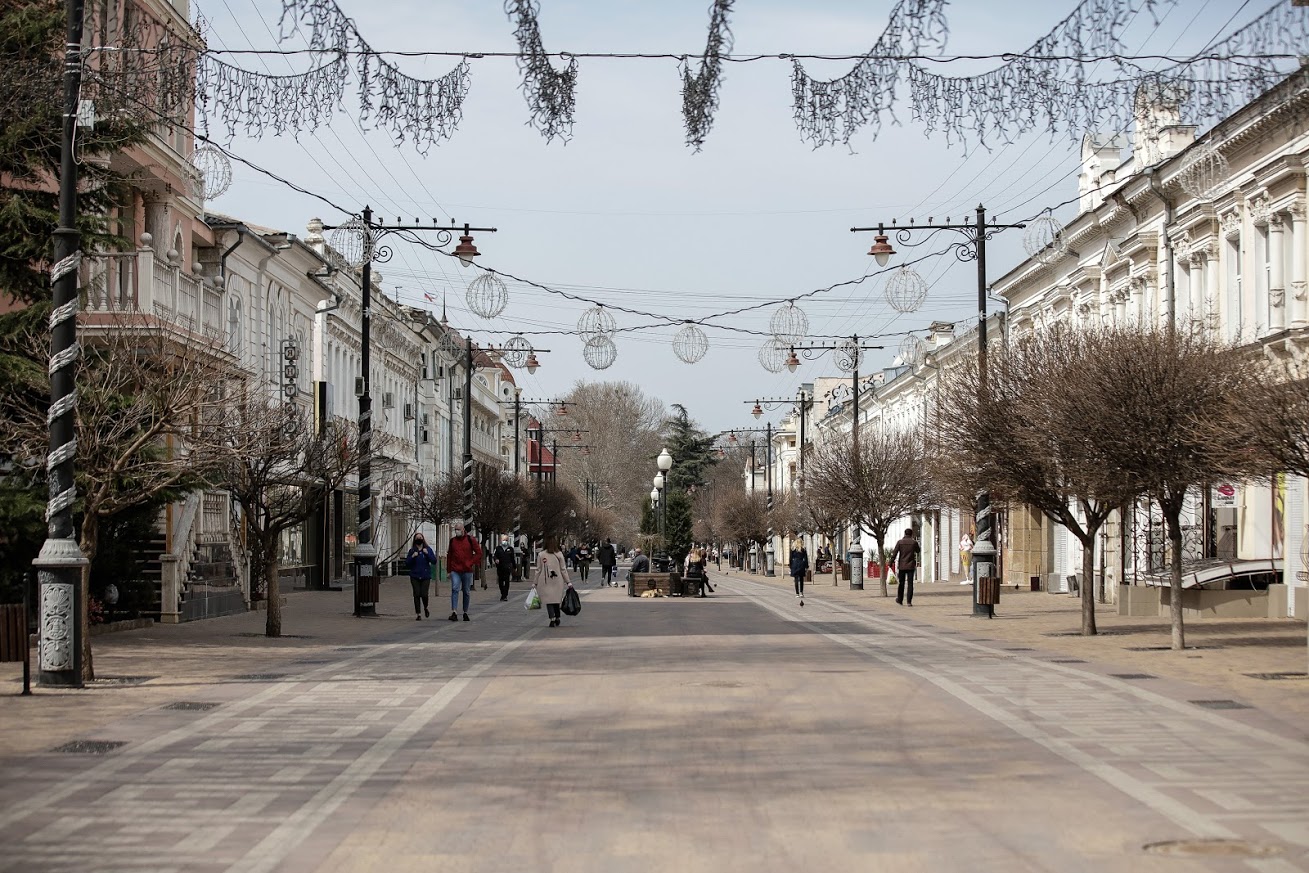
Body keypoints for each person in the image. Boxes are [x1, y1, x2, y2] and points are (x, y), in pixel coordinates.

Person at [446, 521, 483, 621]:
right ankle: (454, 611)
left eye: (458, 529)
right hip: (455, 570)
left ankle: (465, 611)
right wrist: (449, 570)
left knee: (466, 591)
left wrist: (471, 562)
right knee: (455, 589)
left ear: (463, 530)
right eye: (455, 530)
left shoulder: (470, 540)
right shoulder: (452, 541)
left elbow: (479, 553)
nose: (457, 531)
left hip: (467, 570)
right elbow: (449, 555)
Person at [535, 535, 570, 628]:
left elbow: (538, 569)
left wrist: (535, 582)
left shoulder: (541, 554)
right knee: (556, 600)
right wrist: (568, 582)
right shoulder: (559, 554)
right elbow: (563, 569)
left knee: (549, 600)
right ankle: (557, 616)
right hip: (557, 580)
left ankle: (552, 618)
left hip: (545, 580)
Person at [406, 532, 437, 620]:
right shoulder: (412, 551)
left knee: (424, 594)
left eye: (420, 537)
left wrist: (427, 554)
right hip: (414, 575)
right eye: (417, 538)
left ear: (423, 539)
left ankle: (425, 607)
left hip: (425, 576)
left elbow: (434, 561)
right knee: (416, 594)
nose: (419, 539)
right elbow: (407, 563)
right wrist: (412, 556)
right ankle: (418, 614)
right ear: (415, 540)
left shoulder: (427, 549)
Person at [893, 528, 921, 606]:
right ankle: (909, 601)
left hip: (902, 565)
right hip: (911, 565)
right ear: (911, 534)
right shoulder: (914, 542)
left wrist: (891, 562)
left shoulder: (900, 542)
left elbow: (895, 552)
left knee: (901, 583)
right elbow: (918, 550)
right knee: (910, 584)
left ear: (905, 534)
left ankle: (900, 599)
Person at [492, 534, 517, 601]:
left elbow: (512, 558)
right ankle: (502, 593)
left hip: (507, 567)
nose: (504, 541)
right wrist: (496, 559)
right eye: (503, 540)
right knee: (500, 581)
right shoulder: (498, 548)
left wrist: (514, 567)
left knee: (506, 581)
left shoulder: (510, 549)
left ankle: (505, 595)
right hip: (500, 567)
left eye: (506, 540)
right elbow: (494, 556)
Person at [789, 541, 809, 605]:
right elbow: (805, 558)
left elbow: (790, 558)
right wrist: (806, 566)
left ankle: (797, 593)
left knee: (796, 579)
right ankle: (801, 592)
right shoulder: (803, 550)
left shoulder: (793, 550)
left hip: (795, 564)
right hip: (801, 564)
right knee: (801, 579)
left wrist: (790, 565)